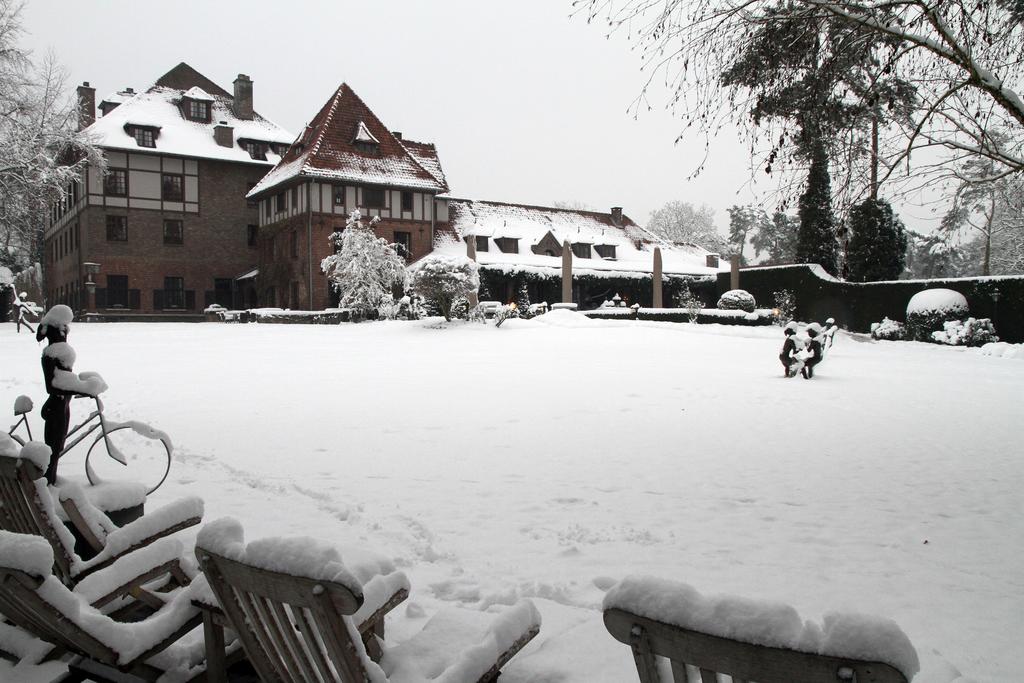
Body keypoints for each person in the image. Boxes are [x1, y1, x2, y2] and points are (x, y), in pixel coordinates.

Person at [36, 305, 76, 484]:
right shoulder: (50, 355)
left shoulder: (61, 352)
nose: (64, 333)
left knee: (57, 447)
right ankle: (47, 484)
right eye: (61, 330)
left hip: (63, 405)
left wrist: (77, 385)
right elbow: (53, 385)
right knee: (53, 450)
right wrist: (79, 387)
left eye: (65, 329)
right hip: (56, 407)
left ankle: (49, 481)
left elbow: (65, 378)